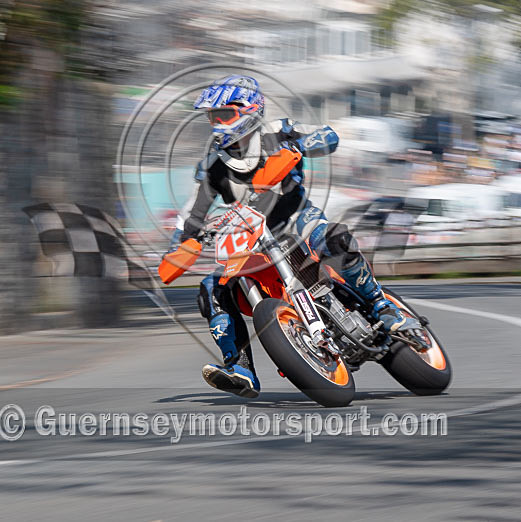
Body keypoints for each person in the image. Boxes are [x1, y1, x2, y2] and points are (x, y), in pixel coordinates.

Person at [168, 75, 422, 398]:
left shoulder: (279, 130)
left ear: (248, 109)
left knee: (334, 238)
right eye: (212, 118)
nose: (217, 124)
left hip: (295, 219)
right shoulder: (211, 166)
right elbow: (192, 211)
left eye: (223, 115)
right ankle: (239, 366)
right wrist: (182, 239)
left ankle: (383, 307)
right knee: (211, 289)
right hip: (248, 238)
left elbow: (328, 136)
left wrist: (301, 145)